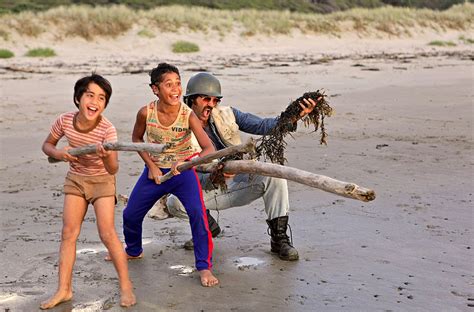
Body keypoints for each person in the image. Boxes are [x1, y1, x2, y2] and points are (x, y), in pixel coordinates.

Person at [160, 72, 319, 262]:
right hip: (205, 189)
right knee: (174, 202)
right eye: (205, 99)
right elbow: (183, 175)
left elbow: (263, 125)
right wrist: (213, 177)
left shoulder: (228, 114)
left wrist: (293, 116)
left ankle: (280, 240)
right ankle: (206, 227)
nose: (210, 104)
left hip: (238, 182)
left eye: (215, 100)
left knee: (275, 176)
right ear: (191, 99)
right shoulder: (178, 127)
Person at [40, 74, 136, 309]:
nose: (95, 101)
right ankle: (64, 289)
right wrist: (59, 154)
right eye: (90, 95)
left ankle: (126, 287)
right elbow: (47, 145)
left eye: (101, 98)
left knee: (107, 233)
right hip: (76, 179)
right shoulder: (64, 121)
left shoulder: (107, 129)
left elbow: (114, 168)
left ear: (105, 104)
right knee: (68, 233)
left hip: (103, 181)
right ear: (78, 98)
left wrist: (106, 158)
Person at [121, 63, 218, 287]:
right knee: (130, 215)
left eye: (178, 83)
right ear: (155, 89)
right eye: (168, 84)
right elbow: (137, 140)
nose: (175, 89)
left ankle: (204, 267)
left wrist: (187, 163)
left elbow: (208, 149)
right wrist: (152, 167)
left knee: (198, 216)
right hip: (155, 172)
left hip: (183, 174)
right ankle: (134, 250)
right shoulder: (146, 112)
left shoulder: (188, 115)